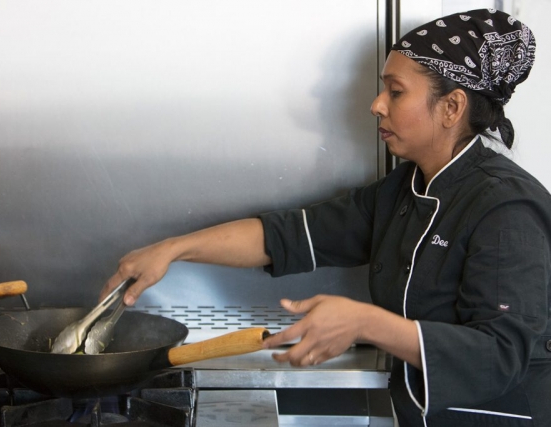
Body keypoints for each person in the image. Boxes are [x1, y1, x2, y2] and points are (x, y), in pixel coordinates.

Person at [101, 9, 549, 427]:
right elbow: (292, 234)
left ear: (451, 108)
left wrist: (363, 321)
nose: (376, 104)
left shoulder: (506, 207)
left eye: (395, 91)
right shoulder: (405, 188)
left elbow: (500, 354)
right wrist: (173, 250)